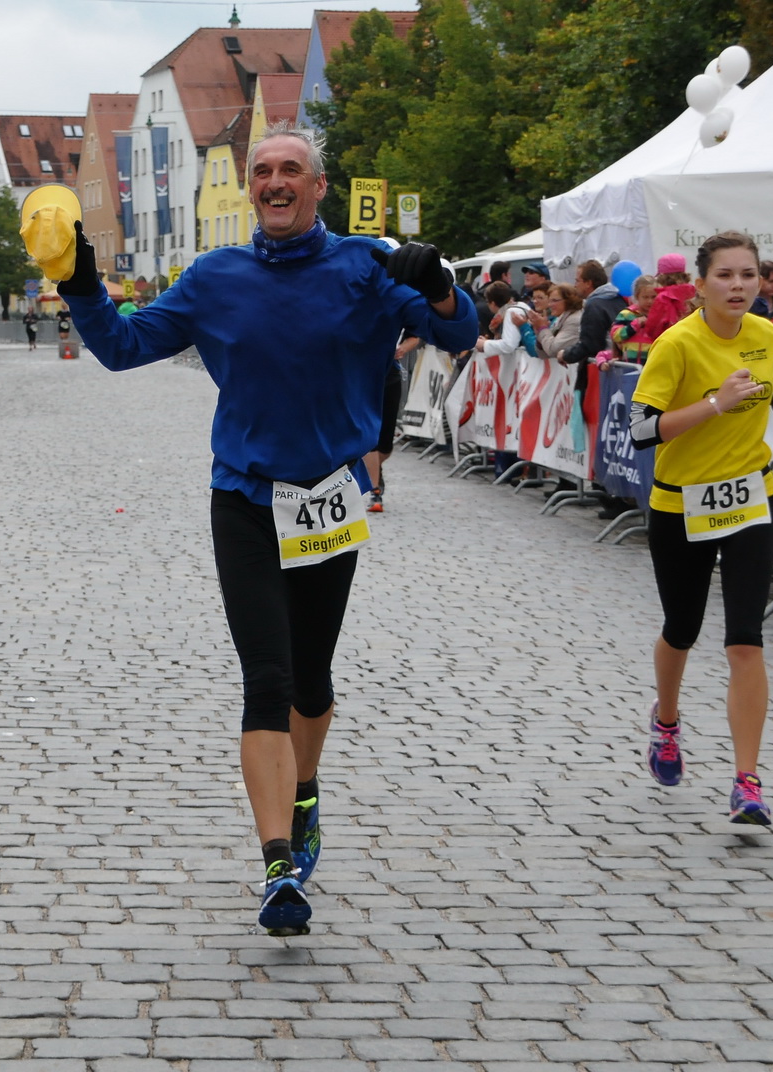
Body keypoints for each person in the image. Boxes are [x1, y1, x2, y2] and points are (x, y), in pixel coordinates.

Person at [55, 123, 479, 935]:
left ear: (319, 187)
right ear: (249, 189)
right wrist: (80, 282)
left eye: (291, 170)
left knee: (312, 682)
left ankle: (306, 785)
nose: (275, 181)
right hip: (245, 498)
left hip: (327, 499)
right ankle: (278, 863)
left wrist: (437, 289)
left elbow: (457, 336)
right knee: (268, 678)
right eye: (262, 171)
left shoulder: (364, 264)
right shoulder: (216, 276)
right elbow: (119, 346)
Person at [628, 231, 773, 826]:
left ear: (762, 282)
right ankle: (668, 722)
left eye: (748, 275)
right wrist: (713, 404)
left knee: (745, 639)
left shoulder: (766, 335)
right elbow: (642, 431)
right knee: (683, 627)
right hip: (682, 504)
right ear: (699, 285)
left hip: (753, 497)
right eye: (725, 276)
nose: (737, 286)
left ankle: (747, 782)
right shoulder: (676, 345)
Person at [364, 332, 418, 513]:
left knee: (385, 445)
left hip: (390, 374)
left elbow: (414, 336)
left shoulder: (396, 306)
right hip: (363, 375)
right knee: (370, 435)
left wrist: (403, 348)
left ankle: (375, 468)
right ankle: (375, 491)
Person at [555, 260, 626, 369]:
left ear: (588, 283)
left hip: (605, 368)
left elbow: (591, 344)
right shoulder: (618, 298)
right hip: (621, 363)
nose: (575, 285)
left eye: (577, 281)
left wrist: (565, 355)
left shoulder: (594, 305)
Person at [610, 275, 659, 362]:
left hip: (651, 363)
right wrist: (634, 325)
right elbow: (615, 335)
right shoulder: (626, 314)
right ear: (637, 296)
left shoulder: (660, 316)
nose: (649, 301)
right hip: (630, 365)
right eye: (645, 297)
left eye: (653, 297)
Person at [538, 283, 585, 361]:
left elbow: (553, 350)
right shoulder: (560, 318)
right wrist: (538, 329)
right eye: (549, 301)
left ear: (569, 300)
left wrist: (542, 328)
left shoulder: (574, 320)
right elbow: (543, 354)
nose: (549, 305)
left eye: (554, 301)